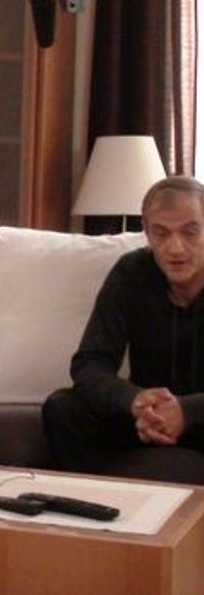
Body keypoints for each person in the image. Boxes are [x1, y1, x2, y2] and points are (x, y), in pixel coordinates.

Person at [42, 176, 204, 481]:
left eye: (190, 232)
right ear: (147, 233)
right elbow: (89, 364)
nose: (175, 247)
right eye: (161, 233)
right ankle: (87, 502)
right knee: (64, 408)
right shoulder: (132, 272)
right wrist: (133, 400)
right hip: (145, 416)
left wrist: (187, 411)